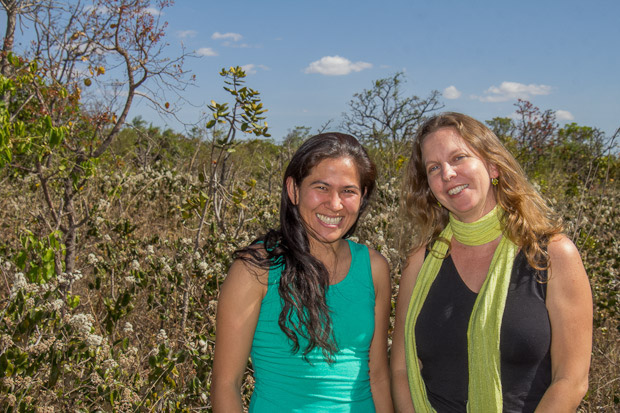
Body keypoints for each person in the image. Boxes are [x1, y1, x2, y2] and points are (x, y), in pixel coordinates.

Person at [391, 112, 592, 412]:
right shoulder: (420, 263)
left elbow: (571, 379)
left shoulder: (553, 255)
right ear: (429, 186)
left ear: (493, 165)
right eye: (434, 168)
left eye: (458, 158)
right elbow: (401, 370)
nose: (447, 174)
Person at [211, 133, 394, 412]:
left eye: (348, 191)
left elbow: (378, 376)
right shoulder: (255, 269)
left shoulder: (374, 268)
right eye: (321, 187)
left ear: (363, 196)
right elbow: (226, 384)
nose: (334, 204)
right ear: (293, 189)